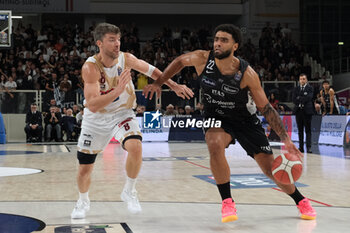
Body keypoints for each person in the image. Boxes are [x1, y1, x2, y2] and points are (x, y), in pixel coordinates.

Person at [143, 24, 316, 222]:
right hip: (215, 114)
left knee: (271, 170)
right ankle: (227, 201)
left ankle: (300, 200)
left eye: (224, 40)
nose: (217, 43)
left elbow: (266, 108)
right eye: (216, 39)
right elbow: (180, 61)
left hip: (245, 119)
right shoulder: (202, 58)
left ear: (235, 46)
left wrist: (286, 139)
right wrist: (160, 82)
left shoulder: (247, 74)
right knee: (214, 144)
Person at [71, 23, 193, 219]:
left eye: (118, 39)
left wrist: (173, 84)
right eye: (112, 40)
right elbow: (92, 105)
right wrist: (117, 91)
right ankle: (83, 200)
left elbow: (152, 71)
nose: (117, 44)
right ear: (99, 43)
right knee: (85, 168)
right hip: (96, 119)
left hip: (123, 114)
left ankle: (129, 190)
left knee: (136, 146)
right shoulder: (90, 67)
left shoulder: (126, 58)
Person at [292, 74, 314, 153]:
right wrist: (302, 98)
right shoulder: (296, 89)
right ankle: (301, 147)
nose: (302, 80)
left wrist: (299, 98)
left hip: (307, 111)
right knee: (300, 130)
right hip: (298, 111)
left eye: (304, 79)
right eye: (301, 79)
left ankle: (309, 147)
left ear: (306, 80)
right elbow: (294, 99)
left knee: (308, 130)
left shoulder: (310, 88)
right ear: (299, 80)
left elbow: (309, 98)